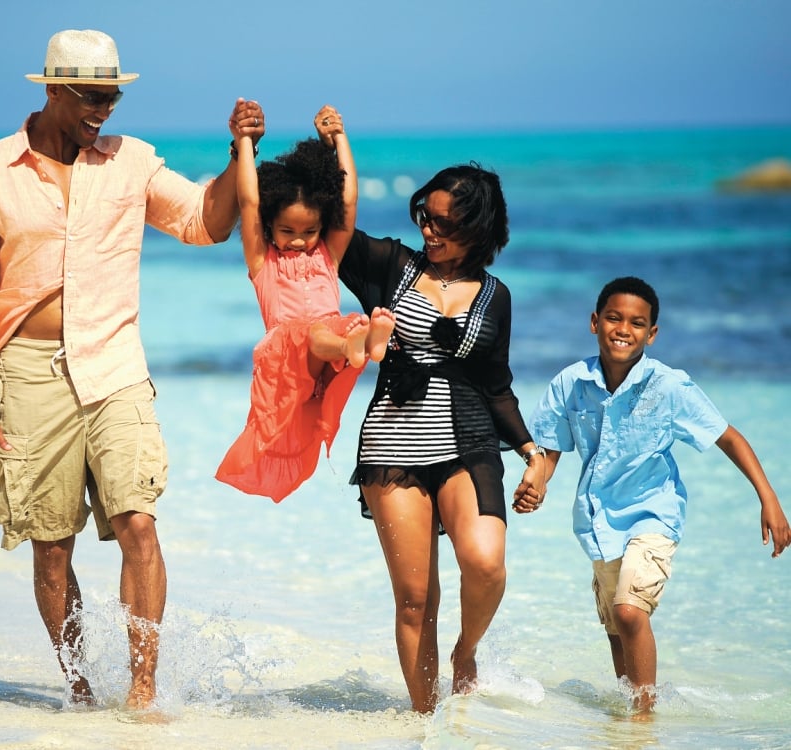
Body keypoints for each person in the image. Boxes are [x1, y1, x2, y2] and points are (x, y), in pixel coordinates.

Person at [0, 28, 265, 710]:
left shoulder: (132, 163)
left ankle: (142, 692)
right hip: (28, 371)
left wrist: (241, 153)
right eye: (92, 96)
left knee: (137, 522)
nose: (104, 110)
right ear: (53, 89)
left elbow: (206, 223)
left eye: (113, 97)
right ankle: (82, 692)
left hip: (114, 361)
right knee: (51, 546)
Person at [514, 275, 790, 716]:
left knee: (628, 612)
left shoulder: (669, 386)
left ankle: (644, 719)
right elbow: (550, 450)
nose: (624, 329)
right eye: (614, 318)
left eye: (637, 323)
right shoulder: (570, 383)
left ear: (652, 333)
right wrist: (538, 481)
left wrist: (768, 498)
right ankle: (629, 714)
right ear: (594, 322)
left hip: (654, 516)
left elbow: (728, 437)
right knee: (616, 630)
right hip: (598, 521)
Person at [336, 163, 546, 713]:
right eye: (425, 217)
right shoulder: (391, 265)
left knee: (484, 563)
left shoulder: (496, 295)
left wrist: (531, 452)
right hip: (393, 447)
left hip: (470, 443)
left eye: (444, 222)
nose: (430, 230)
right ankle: (425, 724)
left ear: (479, 229)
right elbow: (332, 224)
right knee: (414, 600)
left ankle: (466, 649)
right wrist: (335, 148)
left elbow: (496, 385)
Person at [215, 105, 395, 503]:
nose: (299, 240)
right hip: (288, 360)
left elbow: (348, 201)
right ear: (269, 227)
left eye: (310, 230)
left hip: (328, 353)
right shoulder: (263, 262)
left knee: (332, 327)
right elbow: (248, 202)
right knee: (318, 332)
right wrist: (245, 143)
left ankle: (365, 346)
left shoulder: (328, 255)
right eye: (287, 231)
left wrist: (340, 140)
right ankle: (360, 347)